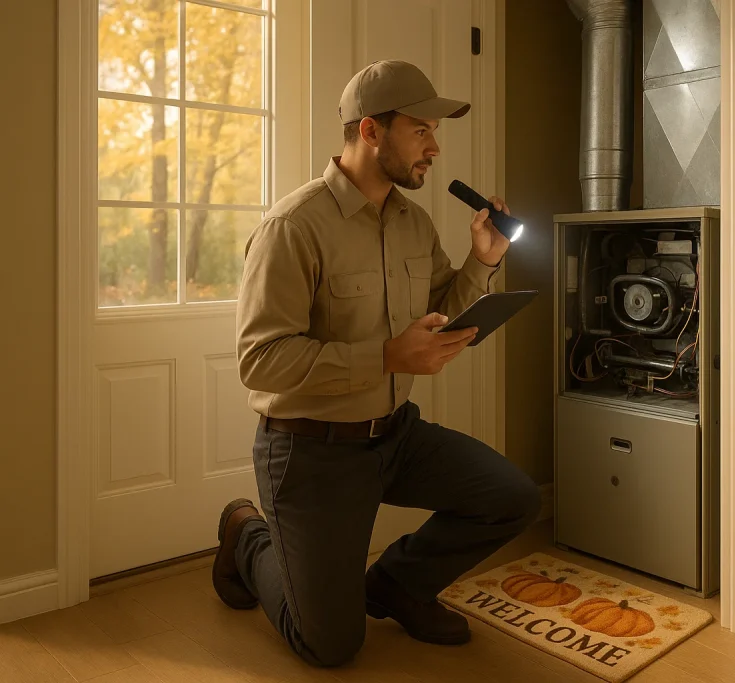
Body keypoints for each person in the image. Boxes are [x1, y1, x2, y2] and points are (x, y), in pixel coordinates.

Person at [211, 60, 542, 667]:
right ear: (370, 131)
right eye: (421, 131)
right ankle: (247, 536)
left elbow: (442, 309)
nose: (435, 148)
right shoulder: (293, 226)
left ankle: (395, 586)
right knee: (329, 646)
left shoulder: (413, 222)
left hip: (395, 434)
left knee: (513, 497)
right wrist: (386, 356)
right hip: (311, 452)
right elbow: (261, 361)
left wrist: (483, 261)